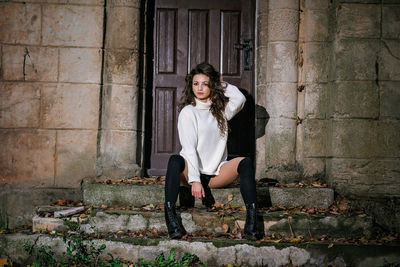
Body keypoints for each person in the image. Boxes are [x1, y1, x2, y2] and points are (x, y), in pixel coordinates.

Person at [164, 62, 258, 240]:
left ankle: (252, 224)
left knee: (244, 162)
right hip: (190, 173)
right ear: (191, 86)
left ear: (211, 86)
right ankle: (171, 219)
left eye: (205, 84)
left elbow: (240, 100)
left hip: (215, 174)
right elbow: (189, 148)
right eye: (196, 83)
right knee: (175, 160)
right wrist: (195, 180)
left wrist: (222, 83)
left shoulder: (220, 111)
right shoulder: (188, 112)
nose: (199, 88)